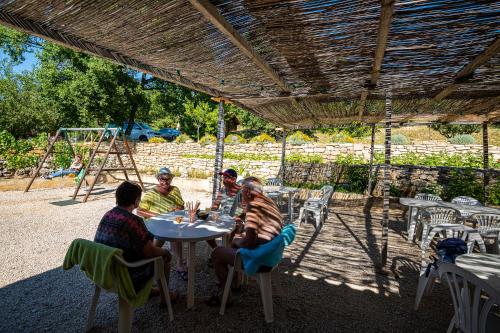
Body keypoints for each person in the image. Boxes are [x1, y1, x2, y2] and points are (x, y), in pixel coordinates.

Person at [94, 181, 176, 303]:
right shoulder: (133, 221)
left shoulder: (109, 214)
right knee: (163, 258)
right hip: (126, 273)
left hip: (105, 269)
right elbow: (150, 252)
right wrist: (165, 251)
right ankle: (165, 297)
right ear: (136, 201)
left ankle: (148, 291)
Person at [207, 176, 283, 306]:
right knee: (236, 241)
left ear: (247, 191)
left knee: (217, 253)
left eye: (241, 191)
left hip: (261, 257)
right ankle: (235, 283)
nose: (240, 194)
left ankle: (224, 295)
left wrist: (238, 241)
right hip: (272, 253)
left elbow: (248, 242)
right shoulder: (269, 202)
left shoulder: (253, 206)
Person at [136, 167, 188, 280]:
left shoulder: (175, 190)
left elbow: (181, 206)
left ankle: (179, 263)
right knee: (170, 231)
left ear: (171, 179)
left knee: (176, 229)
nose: (164, 181)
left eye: (167, 179)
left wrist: (177, 208)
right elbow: (139, 211)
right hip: (156, 223)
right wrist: (158, 216)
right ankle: (149, 260)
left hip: (172, 221)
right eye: (162, 179)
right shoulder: (151, 193)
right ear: (158, 179)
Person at [207, 168, 243, 250]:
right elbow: (216, 204)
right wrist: (211, 214)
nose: (224, 180)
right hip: (222, 218)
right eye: (224, 177)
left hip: (235, 221)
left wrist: (233, 220)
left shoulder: (241, 192)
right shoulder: (223, 189)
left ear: (234, 179)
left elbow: (243, 210)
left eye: (227, 178)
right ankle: (217, 250)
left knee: (230, 233)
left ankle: (225, 252)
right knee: (205, 230)